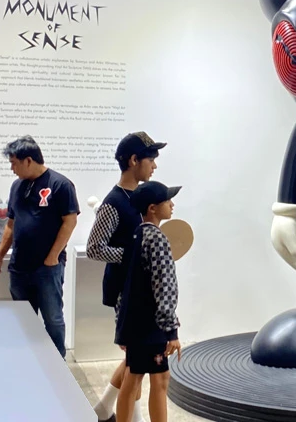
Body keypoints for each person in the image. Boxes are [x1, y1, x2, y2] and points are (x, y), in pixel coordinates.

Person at [86, 132, 165, 422]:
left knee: (135, 357)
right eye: (150, 159)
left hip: (143, 291)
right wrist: (132, 254)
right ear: (134, 160)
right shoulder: (113, 203)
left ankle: (103, 410)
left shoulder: (142, 198)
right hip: (126, 292)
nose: (154, 166)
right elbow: (94, 248)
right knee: (137, 359)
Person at [0, 135, 79, 358]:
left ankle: (56, 363)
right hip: (19, 266)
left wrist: (53, 256)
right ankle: (30, 360)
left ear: (28, 160)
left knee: (52, 319)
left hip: (47, 268)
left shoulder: (60, 184)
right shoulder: (17, 186)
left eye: (14, 163)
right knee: (23, 319)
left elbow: (70, 221)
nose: (12, 169)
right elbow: (10, 225)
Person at [114, 181, 183, 422]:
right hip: (151, 327)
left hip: (133, 324)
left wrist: (121, 327)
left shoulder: (135, 236)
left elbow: (123, 286)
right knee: (159, 379)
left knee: (132, 377)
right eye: (167, 201)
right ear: (153, 208)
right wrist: (171, 330)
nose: (172, 205)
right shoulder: (158, 239)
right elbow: (165, 287)